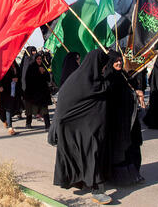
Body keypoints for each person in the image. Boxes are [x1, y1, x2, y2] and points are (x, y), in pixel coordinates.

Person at [48, 49, 112, 204]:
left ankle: (84, 181)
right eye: (103, 65)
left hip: (89, 128)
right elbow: (64, 104)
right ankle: (97, 190)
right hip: (74, 128)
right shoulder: (79, 81)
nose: (104, 68)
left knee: (89, 155)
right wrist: (57, 125)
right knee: (92, 154)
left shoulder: (91, 79)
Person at [106, 51, 144, 186]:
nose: (119, 63)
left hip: (129, 120)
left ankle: (134, 174)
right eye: (116, 61)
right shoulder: (108, 77)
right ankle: (120, 178)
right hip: (116, 121)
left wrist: (135, 91)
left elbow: (129, 91)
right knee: (120, 150)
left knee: (132, 147)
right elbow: (114, 98)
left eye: (120, 60)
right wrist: (133, 94)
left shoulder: (123, 76)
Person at [24, 53, 52, 130]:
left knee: (44, 109)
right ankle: (28, 123)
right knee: (30, 109)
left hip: (42, 93)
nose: (39, 60)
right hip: (32, 93)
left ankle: (47, 125)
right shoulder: (31, 67)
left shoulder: (43, 67)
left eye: (40, 59)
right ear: (34, 59)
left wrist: (44, 73)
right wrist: (38, 73)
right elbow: (29, 80)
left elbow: (48, 79)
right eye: (38, 59)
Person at [0, 61, 22, 135]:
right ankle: (9, 126)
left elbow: (19, 74)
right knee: (6, 107)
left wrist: (17, 79)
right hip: (5, 89)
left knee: (11, 107)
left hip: (14, 89)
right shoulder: (3, 65)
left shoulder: (16, 65)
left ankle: (8, 122)